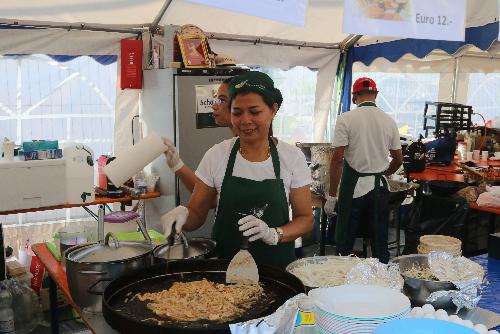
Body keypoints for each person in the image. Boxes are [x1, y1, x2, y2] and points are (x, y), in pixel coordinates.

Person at [161, 71, 313, 268]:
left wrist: (274, 234)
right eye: (237, 112)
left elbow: (305, 219)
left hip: (276, 270)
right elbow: (197, 214)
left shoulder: (292, 157)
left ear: (273, 110)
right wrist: (182, 216)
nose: (245, 120)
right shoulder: (217, 155)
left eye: (255, 111)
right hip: (224, 268)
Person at [324, 77, 403, 263]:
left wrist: (332, 196)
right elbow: (398, 158)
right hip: (379, 190)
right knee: (380, 240)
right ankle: (381, 279)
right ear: (375, 95)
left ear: (354, 97)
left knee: (345, 240)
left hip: (353, 189)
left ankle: (343, 279)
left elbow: (337, 160)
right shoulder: (389, 121)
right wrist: (384, 173)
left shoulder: (346, 119)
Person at [163, 78, 236, 193]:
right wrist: (176, 165)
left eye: (221, 100)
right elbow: (208, 198)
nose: (214, 106)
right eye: (216, 99)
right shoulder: (218, 153)